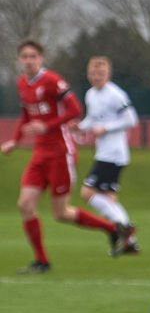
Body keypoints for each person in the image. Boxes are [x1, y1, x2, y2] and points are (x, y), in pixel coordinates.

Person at [1, 39, 124, 273]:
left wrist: (47, 127)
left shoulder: (52, 81)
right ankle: (42, 261)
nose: (28, 60)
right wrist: (15, 142)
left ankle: (112, 228)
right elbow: (26, 116)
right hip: (40, 154)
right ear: (19, 60)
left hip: (61, 153)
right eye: (24, 56)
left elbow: (75, 110)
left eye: (33, 56)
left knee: (60, 213)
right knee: (25, 205)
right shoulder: (22, 84)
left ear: (41, 58)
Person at [75, 56, 140, 255]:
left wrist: (106, 129)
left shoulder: (115, 94)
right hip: (105, 152)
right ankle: (130, 241)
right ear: (88, 75)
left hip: (113, 153)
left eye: (101, 73)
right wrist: (79, 126)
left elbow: (131, 119)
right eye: (94, 73)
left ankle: (125, 225)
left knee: (87, 193)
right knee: (108, 198)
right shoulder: (91, 95)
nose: (97, 77)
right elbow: (93, 120)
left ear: (108, 74)